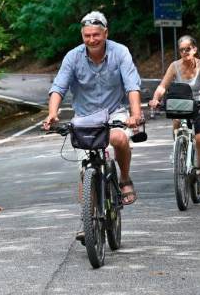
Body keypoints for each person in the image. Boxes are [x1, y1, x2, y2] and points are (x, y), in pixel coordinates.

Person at [42, 11, 143, 208]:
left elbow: (132, 86)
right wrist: (52, 113)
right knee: (84, 171)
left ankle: (124, 179)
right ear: (82, 36)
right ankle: (87, 220)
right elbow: (58, 87)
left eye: (96, 35)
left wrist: (136, 114)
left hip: (114, 112)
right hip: (84, 117)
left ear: (105, 33)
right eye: (87, 35)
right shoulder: (72, 57)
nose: (92, 39)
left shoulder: (120, 52)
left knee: (119, 138)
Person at [148, 36, 200, 193]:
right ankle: (179, 150)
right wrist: (155, 99)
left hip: (198, 104)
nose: (185, 52)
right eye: (181, 50)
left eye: (188, 49)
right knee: (176, 123)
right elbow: (163, 86)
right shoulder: (174, 66)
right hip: (180, 104)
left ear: (194, 49)